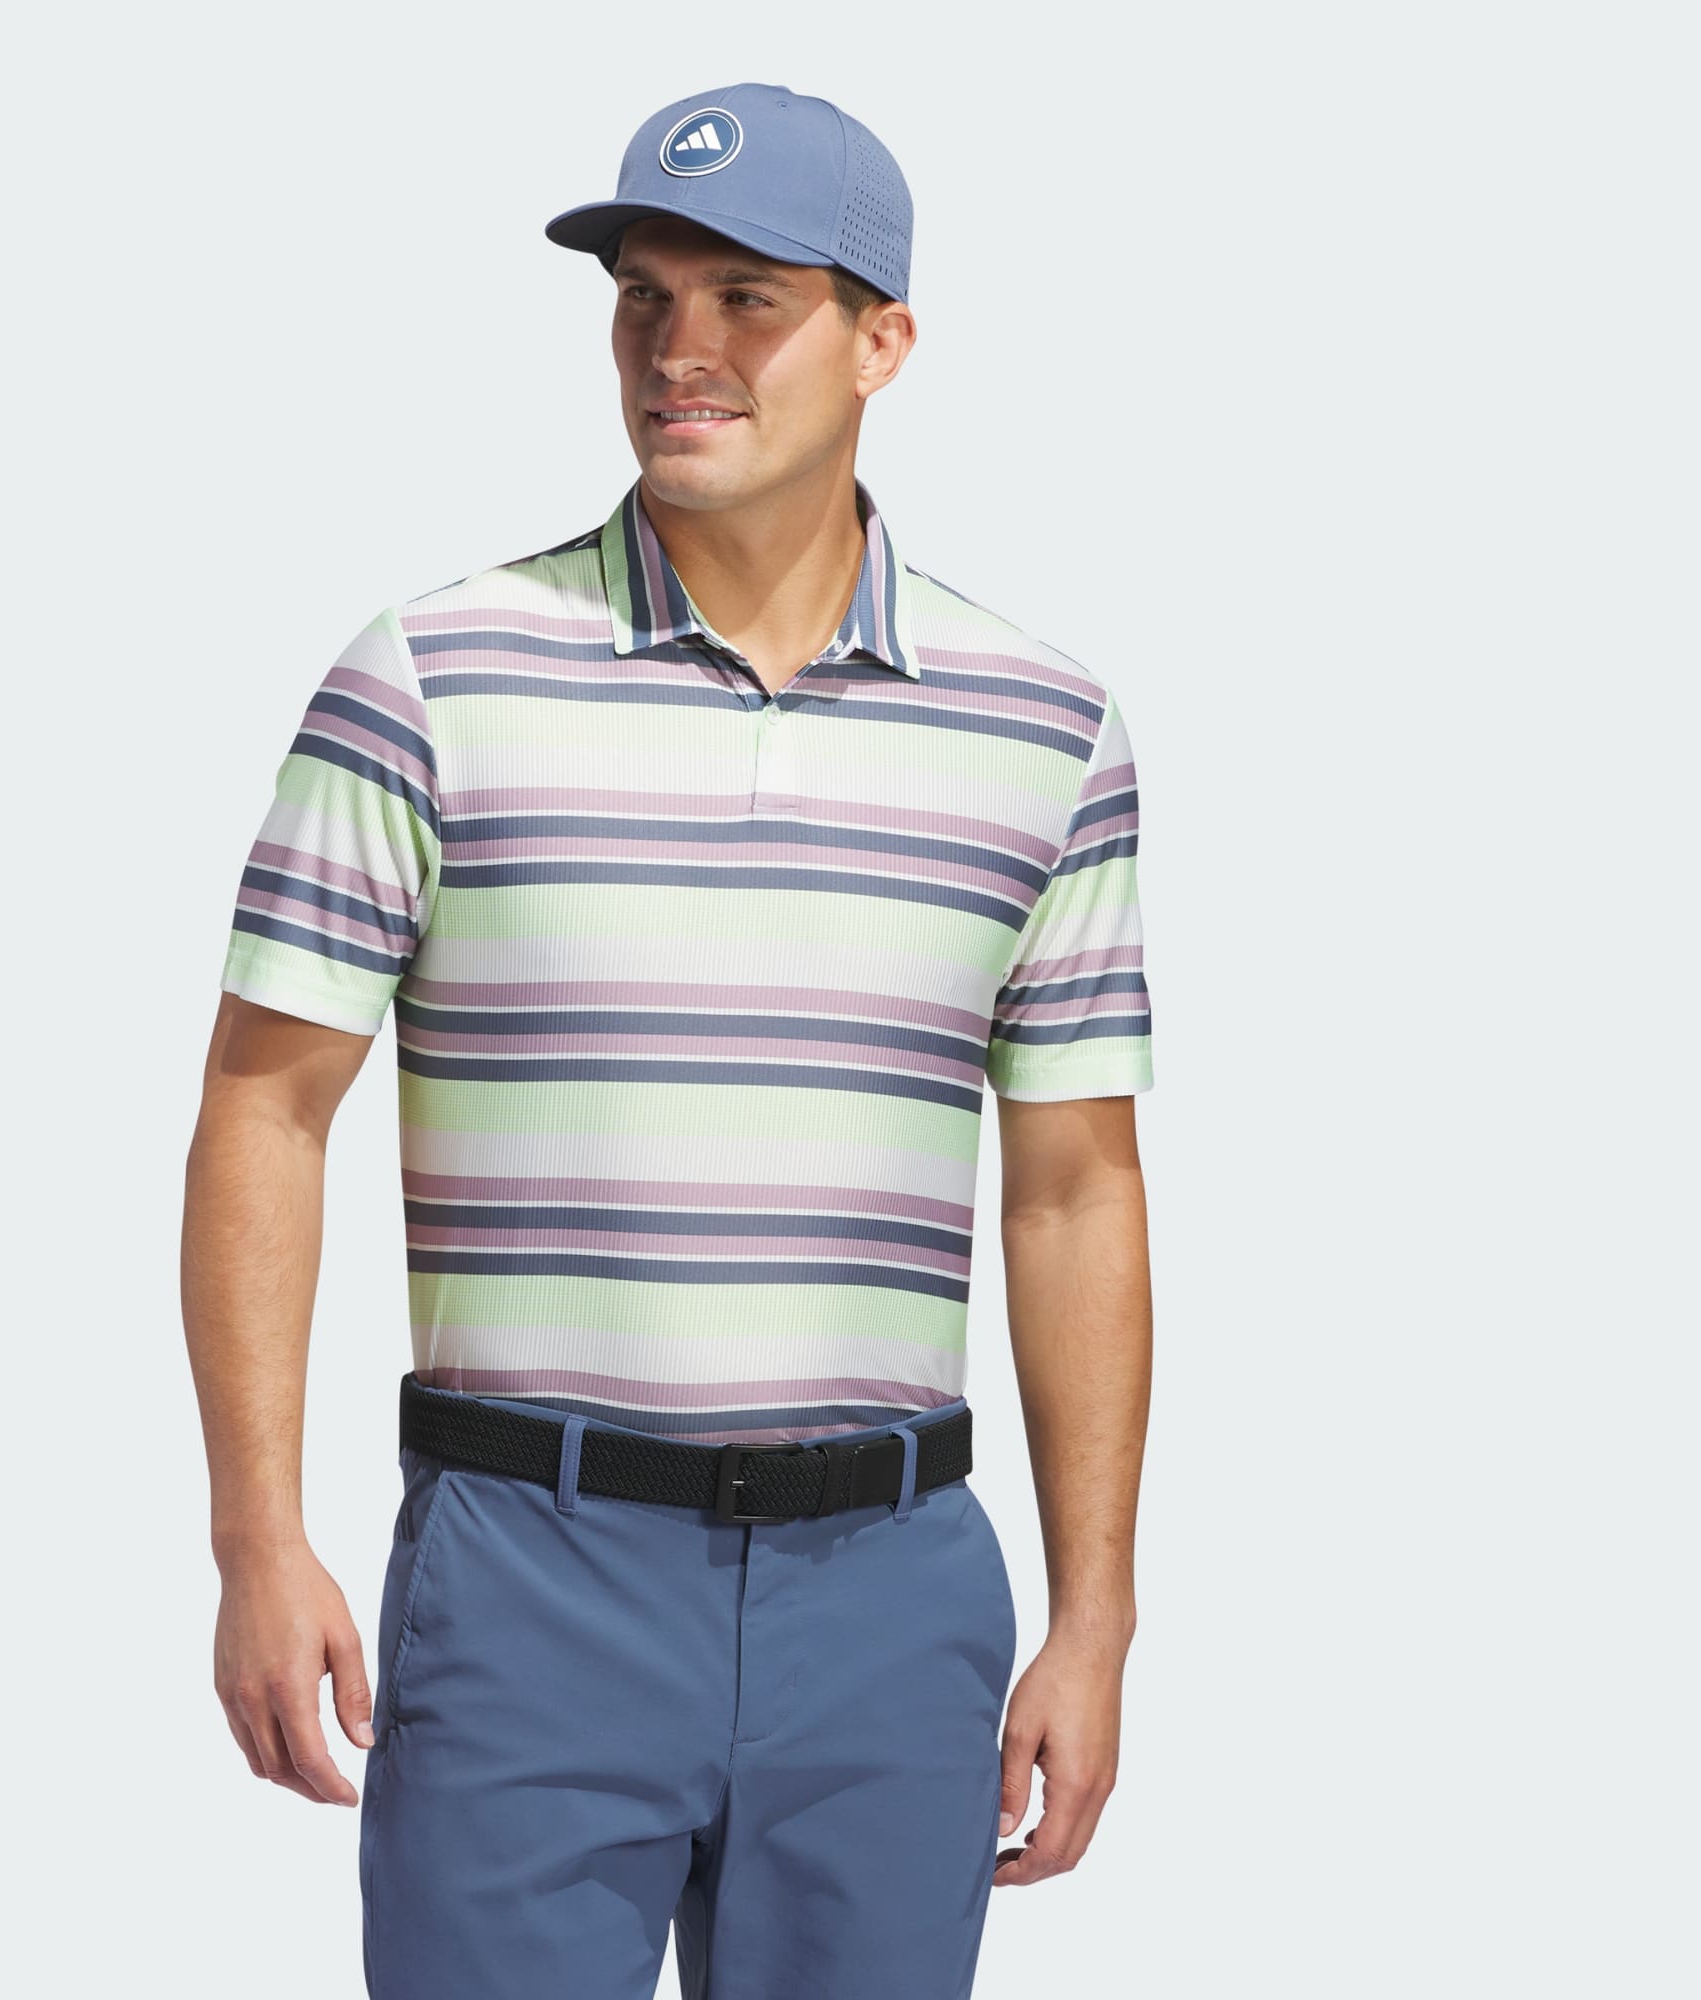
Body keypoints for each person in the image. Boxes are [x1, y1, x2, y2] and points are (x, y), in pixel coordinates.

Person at [182, 79, 1155, 2000]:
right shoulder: (430, 677)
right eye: (643, 295)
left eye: (747, 298)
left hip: (892, 1597)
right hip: (526, 1576)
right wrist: (255, 1539)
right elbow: (263, 1111)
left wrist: (1098, 1611)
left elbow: (1075, 1189)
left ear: (883, 341)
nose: (677, 348)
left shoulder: (1047, 727)